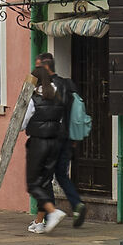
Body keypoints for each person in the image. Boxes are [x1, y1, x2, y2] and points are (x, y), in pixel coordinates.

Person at [33, 52, 86, 228]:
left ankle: (50, 215)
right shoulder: (67, 84)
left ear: (45, 67)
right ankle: (77, 204)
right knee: (62, 174)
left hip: (51, 138)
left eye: (38, 67)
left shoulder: (46, 88)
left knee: (45, 176)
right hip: (67, 137)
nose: (35, 70)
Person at [23, 67, 71, 233]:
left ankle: (52, 212)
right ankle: (39, 221)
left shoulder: (33, 99)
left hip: (38, 143)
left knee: (33, 184)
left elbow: (22, 123)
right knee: (45, 182)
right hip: (55, 143)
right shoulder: (59, 96)